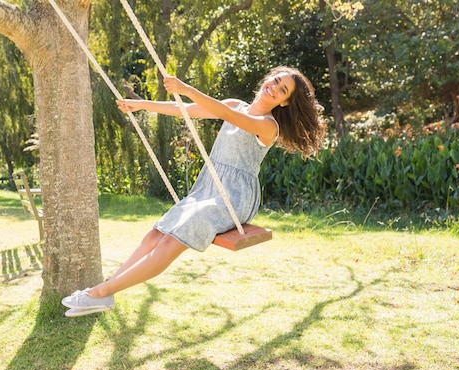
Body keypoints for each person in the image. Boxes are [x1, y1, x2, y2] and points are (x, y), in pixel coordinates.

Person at [62, 66, 326, 317]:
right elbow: (185, 110)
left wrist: (186, 87)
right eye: (276, 81)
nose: (274, 88)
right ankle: (107, 289)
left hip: (233, 198)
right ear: (269, 78)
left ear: (285, 103)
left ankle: (100, 293)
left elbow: (228, 116)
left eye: (282, 91)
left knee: (170, 241)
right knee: (156, 233)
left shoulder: (268, 125)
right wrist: (142, 104)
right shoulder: (236, 104)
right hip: (208, 189)